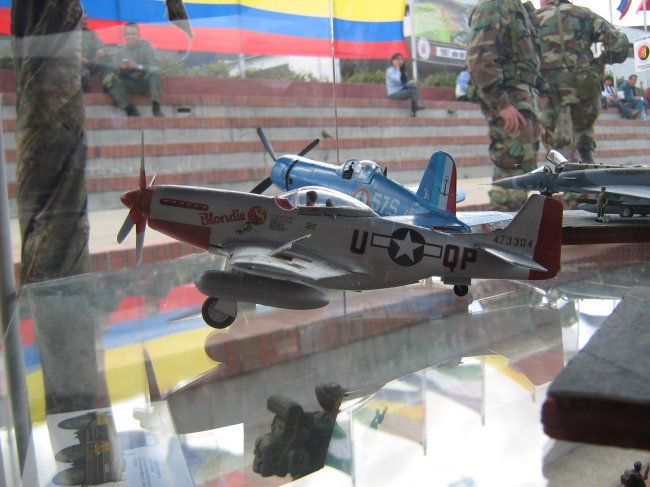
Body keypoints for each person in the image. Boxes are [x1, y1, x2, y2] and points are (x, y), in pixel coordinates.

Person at [533, 0, 629, 165]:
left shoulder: (533, 19)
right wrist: (599, 64)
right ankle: (588, 165)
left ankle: (569, 176)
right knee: (584, 134)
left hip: (550, 91)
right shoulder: (584, 14)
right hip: (585, 86)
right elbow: (620, 41)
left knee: (558, 146)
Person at [467, 0, 541, 210]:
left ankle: (515, 222)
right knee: (511, 166)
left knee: (522, 167)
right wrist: (501, 104)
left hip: (522, 100)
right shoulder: (493, 6)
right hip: (509, 101)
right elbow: (479, 60)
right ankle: (503, 224)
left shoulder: (516, 8)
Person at [104, 22, 164, 117]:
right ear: (124, 36)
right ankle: (129, 109)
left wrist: (138, 66)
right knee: (111, 81)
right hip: (129, 84)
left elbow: (155, 67)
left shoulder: (146, 46)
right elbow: (113, 70)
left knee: (155, 73)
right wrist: (121, 68)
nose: (131, 37)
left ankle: (156, 106)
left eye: (133, 34)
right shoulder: (121, 51)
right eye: (128, 34)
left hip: (144, 82)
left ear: (138, 35)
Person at [385, 52, 425, 117]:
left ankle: (415, 107)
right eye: (398, 59)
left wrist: (409, 82)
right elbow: (397, 80)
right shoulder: (390, 70)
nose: (400, 61)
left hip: (402, 90)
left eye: (402, 59)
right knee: (412, 91)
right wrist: (397, 69)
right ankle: (414, 109)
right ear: (393, 61)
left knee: (413, 86)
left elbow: (404, 84)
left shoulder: (403, 71)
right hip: (393, 94)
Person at [81, 13, 107, 92]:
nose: (85, 21)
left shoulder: (92, 34)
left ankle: (108, 90)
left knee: (107, 64)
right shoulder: (70, 35)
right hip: (76, 66)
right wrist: (79, 59)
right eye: (82, 19)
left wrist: (101, 50)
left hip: (91, 63)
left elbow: (100, 46)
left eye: (86, 18)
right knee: (84, 74)